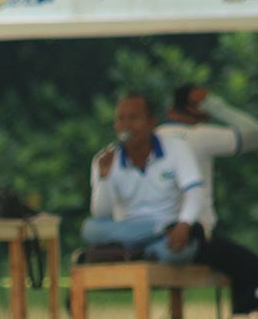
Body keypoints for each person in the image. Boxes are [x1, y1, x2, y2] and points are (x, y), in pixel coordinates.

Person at [157, 85, 258, 319]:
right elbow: (256, 134)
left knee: (242, 273)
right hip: (194, 237)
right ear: (198, 110)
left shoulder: (153, 138)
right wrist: (216, 106)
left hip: (156, 236)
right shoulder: (198, 135)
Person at [81, 93, 205, 264]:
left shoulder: (176, 148)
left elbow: (195, 193)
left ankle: (132, 253)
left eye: (133, 118)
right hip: (129, 229)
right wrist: (104, 178)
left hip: (170, 230)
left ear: (151, 122)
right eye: (120, 119)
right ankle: (152, 241)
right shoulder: (104, 160)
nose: (126, 126)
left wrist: (184, 224)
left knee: (174, 252)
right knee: (90, 229)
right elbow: (102, 214)